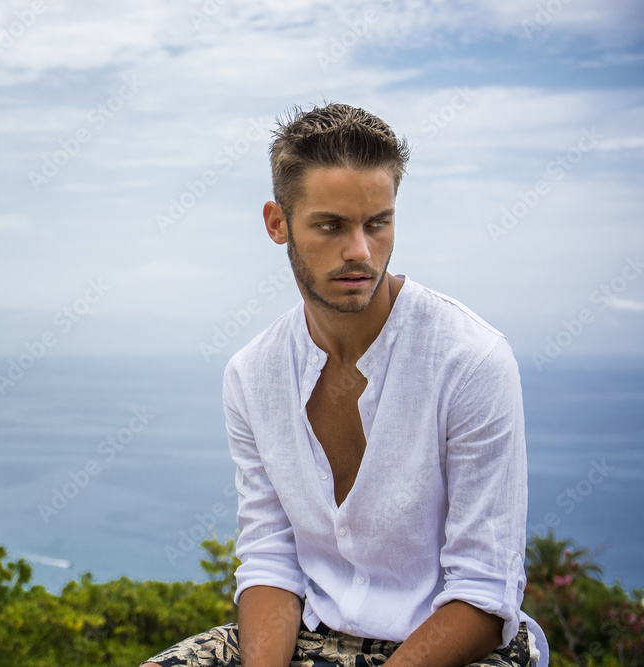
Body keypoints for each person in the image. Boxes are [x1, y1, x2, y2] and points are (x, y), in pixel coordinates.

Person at [141, 103, 548, 667]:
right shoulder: (252, 374)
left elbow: (483, 592)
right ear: (277, 223)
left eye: (377, 223)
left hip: (455, 646)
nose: (359, 250)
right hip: (316, 634)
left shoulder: (471, 359)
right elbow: (270, 558)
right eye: (331, 225)